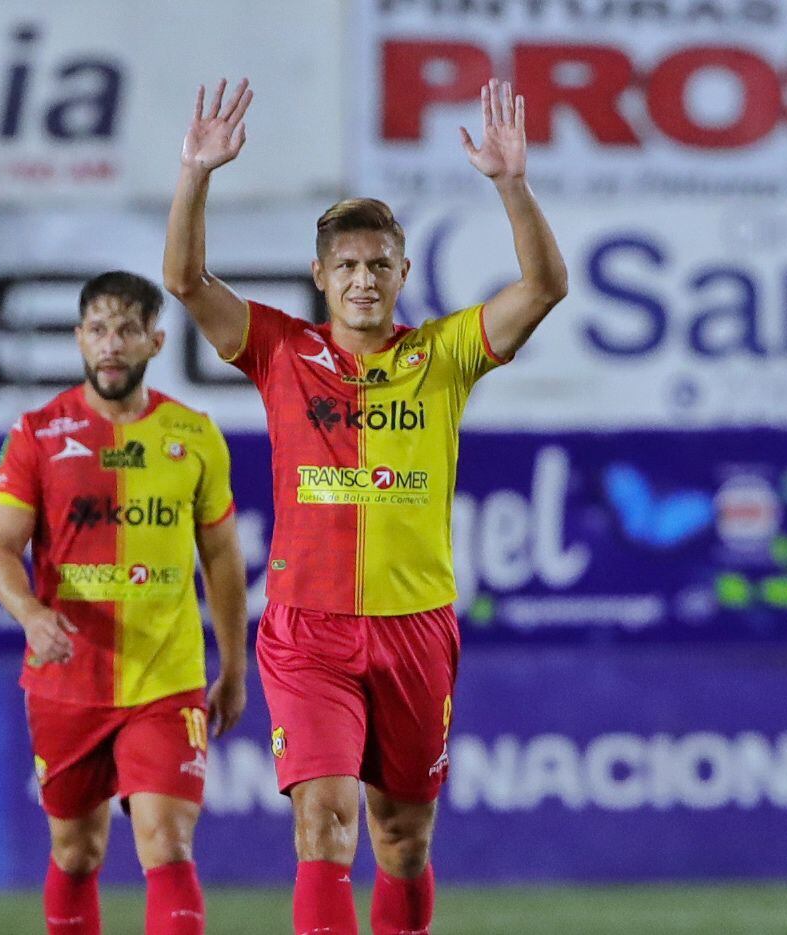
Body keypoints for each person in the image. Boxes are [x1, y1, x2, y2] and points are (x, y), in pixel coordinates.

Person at [163, 78, 568, 934]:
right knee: (325, 824)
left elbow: (544, 287)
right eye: (345, 264)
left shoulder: (445, 353)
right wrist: (196, 172)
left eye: (378, 263)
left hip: (416, 625)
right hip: (308, 629)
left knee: (403, 837)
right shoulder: (277, 349)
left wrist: (510, 184)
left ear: (403, 272)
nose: (361, 279)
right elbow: (186, 279)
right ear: (319, 275)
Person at [0, 271, 249, 935]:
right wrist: (33, 614)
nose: (111, 343)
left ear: (156, 341)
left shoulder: (194, 435)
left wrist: (236, 666)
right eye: (98, 329)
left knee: (167, 840)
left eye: (127, 329)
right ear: (78, 339)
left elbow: (220, 557)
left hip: (167, 675)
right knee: (78, 850)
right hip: (69, 681)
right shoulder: (38, 435)